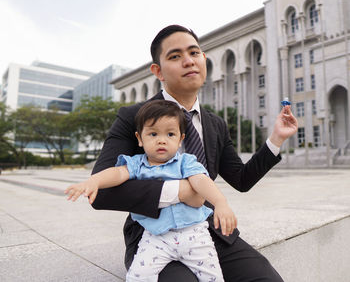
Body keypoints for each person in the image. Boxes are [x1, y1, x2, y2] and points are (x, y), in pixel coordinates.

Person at [90, 25, 298, 281]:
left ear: (204, 60)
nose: (188, 61)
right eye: (175, 56)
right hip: (152, 237)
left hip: (209, 232)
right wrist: (181, 191)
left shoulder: (215, 124)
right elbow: (99, 192)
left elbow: (241, 179)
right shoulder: (133, 117)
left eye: (194, 53)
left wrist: (276, 139)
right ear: (158, 71)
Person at [65, 100, 236, 281]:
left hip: (194, 235)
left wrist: (220, 202)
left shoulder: (186, 162)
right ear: (140, 138)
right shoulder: (137, 164)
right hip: (156, 237)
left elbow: (201, 180)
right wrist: (94, 181)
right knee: (138, 275)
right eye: (153, 134)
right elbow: (117, 173)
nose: (161, 140)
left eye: (170, 134)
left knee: (213, 277)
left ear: (180, 139)